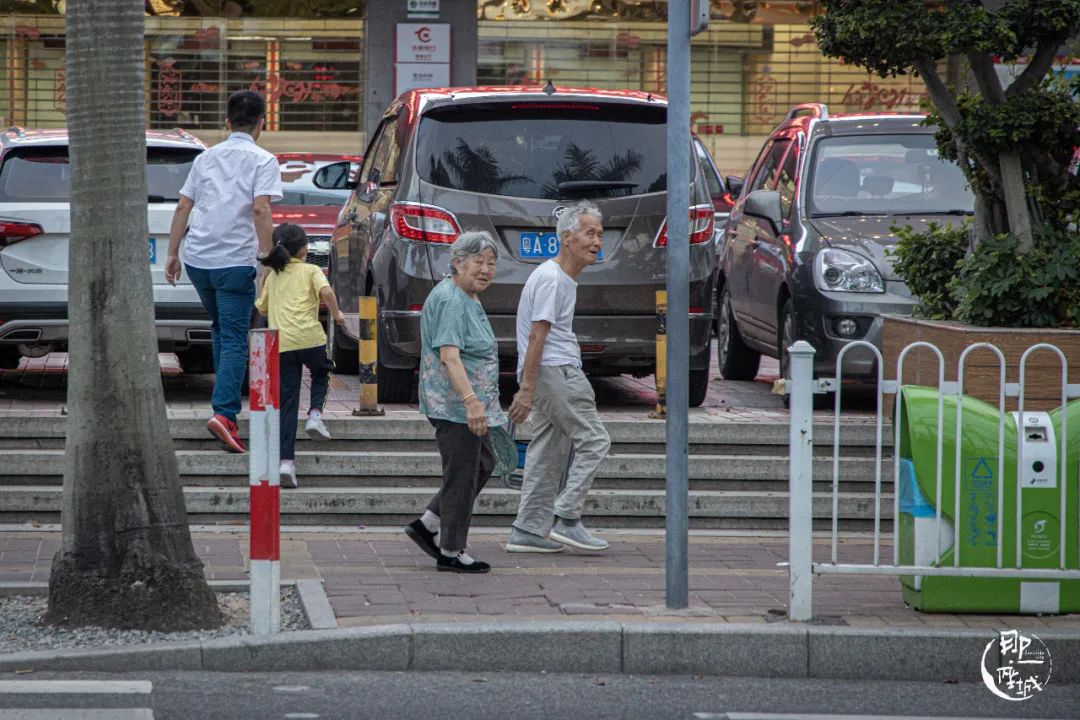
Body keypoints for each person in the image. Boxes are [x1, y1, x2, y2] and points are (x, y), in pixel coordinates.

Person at [165, 89, 282, 453]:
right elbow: (261, 210)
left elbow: (184, 205)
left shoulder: (205, 158)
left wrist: (172, 254)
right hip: (235, 262)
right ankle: (225, 414)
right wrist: (266, 259)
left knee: (220, 329)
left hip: (199, 260)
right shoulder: (264, 159)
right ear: (262, 123)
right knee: (234, 336)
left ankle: (223, 408)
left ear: (227, 122)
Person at [506, 201, 611, 553]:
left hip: (549, 372)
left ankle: (528, 529)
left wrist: (528, 385)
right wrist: (526, 389)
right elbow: (538, 335)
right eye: (589, 233)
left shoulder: (559, 277)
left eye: (599, 234)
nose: (597, 241)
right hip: (557, 371)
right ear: (566, 237)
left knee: (547, 450)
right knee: (595, 441)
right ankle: (567, 516)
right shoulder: (553, 279)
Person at [404, 231, 505, 574]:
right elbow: (450, 357)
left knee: (484, 464)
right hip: (456, 407)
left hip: (471, 406)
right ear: (458, 262)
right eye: (478, 262)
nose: (486, 269)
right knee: (462, 475)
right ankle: (451, 550)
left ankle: (428, 523)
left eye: (491, 263)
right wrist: (472, 402)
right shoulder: (450, 299)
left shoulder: (468, 295)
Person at [255, 224, 345, 489]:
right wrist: (337, 314)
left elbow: (261, 306)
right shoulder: (312, 270)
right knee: (321, 372)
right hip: (310, 339)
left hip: (282, 345)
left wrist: (264, 276)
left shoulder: (274, 276)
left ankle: (285, 463)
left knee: (288, 402)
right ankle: (315, 414)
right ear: (305, 249)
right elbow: (327, 292)